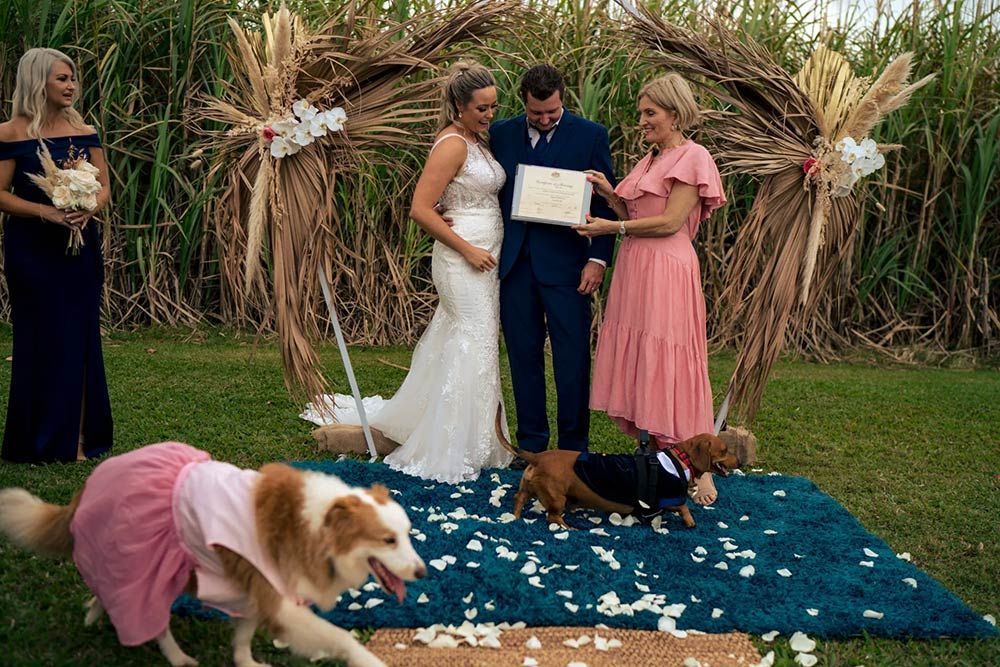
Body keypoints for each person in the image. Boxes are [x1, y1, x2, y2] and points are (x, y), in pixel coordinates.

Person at [303, 61, 512, 483]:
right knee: (473, 340)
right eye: (481, 108)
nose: (490, 115)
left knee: (468, 339)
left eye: (493, 106)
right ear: (458, 106)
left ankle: (470, 433)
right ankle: (455, 442)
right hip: (462, 259)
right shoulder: (452, 144)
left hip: (485, 258)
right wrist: (468, 249)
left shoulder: (476, 140)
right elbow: (419, 208)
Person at [576, 73, 725, 504]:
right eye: (641, 112)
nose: (641, 121)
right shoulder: (649, 160)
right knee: (645, 354)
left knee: (671, 353)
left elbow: (670, 221)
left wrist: (612, 225)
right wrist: (609, 193)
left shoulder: (693, 156)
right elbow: (636, 210)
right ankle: (662, 453)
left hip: (667, 266)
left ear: (674, 114)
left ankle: (701, 466)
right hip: (636, 265)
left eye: (650, 113)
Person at [489, 64, 617, 464]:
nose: (544, 120)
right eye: (536, 113)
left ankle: (573, 448)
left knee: (573, 357)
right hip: (514, 266)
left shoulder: (591, 135)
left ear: (563, 97)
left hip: (569, 266)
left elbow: (604, 202)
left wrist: (597, 259)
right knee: (523, 356)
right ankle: (531, 444)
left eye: (552, 112)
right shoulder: (501, 134)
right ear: (524, 102)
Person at [0, 48, 113, 463]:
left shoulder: (85, 129)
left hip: (80, 248)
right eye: (62, 79)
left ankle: (81, 440)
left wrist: (88, 208)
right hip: (32, 250)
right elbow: (0, 195)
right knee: (40, 338)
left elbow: (104, 187)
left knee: (80, 339)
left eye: (72, 79)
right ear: (37, 82)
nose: (71, 86)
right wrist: (46, 211)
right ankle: (36, 440)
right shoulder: (10, 133)